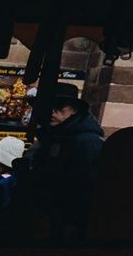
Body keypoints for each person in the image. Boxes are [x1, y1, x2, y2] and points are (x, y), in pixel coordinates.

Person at [21, 82, 105, 236]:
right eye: (48, 107)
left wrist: (72, 225)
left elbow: (86, 189)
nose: (52, 112)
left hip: (63, 224)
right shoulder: (51, 137)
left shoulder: (87, 142)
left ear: (74, 110)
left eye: (59, 107)